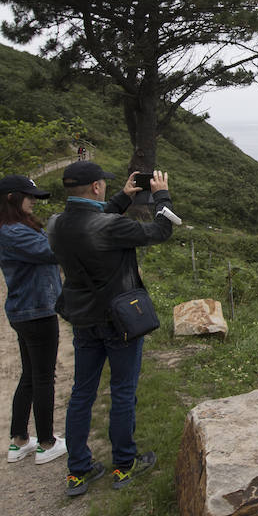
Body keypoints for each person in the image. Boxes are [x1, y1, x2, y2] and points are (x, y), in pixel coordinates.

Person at [48, 160, 177, 496]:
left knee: (82, 393)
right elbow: (161, 231)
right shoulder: (110, 228)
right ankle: (125, 463)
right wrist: (161, 197)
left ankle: (78, 470)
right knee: (122, 391)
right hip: (119, 320)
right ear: (95, 187)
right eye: (102, 184)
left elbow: (90, 220)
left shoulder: (56, 225)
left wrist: (123, 198)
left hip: (83, 319)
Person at [0, 175, 67, 466]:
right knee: (44, 376)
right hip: (37, 311)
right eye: (29, 196)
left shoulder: (13, 228)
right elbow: (51, 252)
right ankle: (46, 443)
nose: (34, 201)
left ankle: (19, 439)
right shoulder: (14, 232)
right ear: (11, 198)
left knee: (31, 375)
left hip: (29, 311)